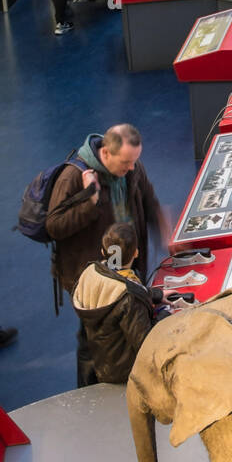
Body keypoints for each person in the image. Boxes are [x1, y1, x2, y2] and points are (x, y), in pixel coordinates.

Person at [45, 124, 166, 386]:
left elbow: (148, 200)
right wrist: (90, 202)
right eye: (126, 162)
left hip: (125, 266)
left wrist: (165, 233)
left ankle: (127, 377)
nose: (131, 168)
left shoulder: (131, 168)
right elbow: (54, 226)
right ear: (106, 154)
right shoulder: (72, 178)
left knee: (126, 325)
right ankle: (88, 388)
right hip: (92, 277)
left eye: (134, 161)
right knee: (94, 337)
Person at [71, 221, 163, 384]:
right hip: (125, 372)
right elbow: (145, 343)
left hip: (99, 362)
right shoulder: (127, 298)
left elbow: (115, 284)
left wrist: (153, 294)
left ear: (102, 251)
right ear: (136, 253)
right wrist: (165, 316)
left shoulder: (91, 274)